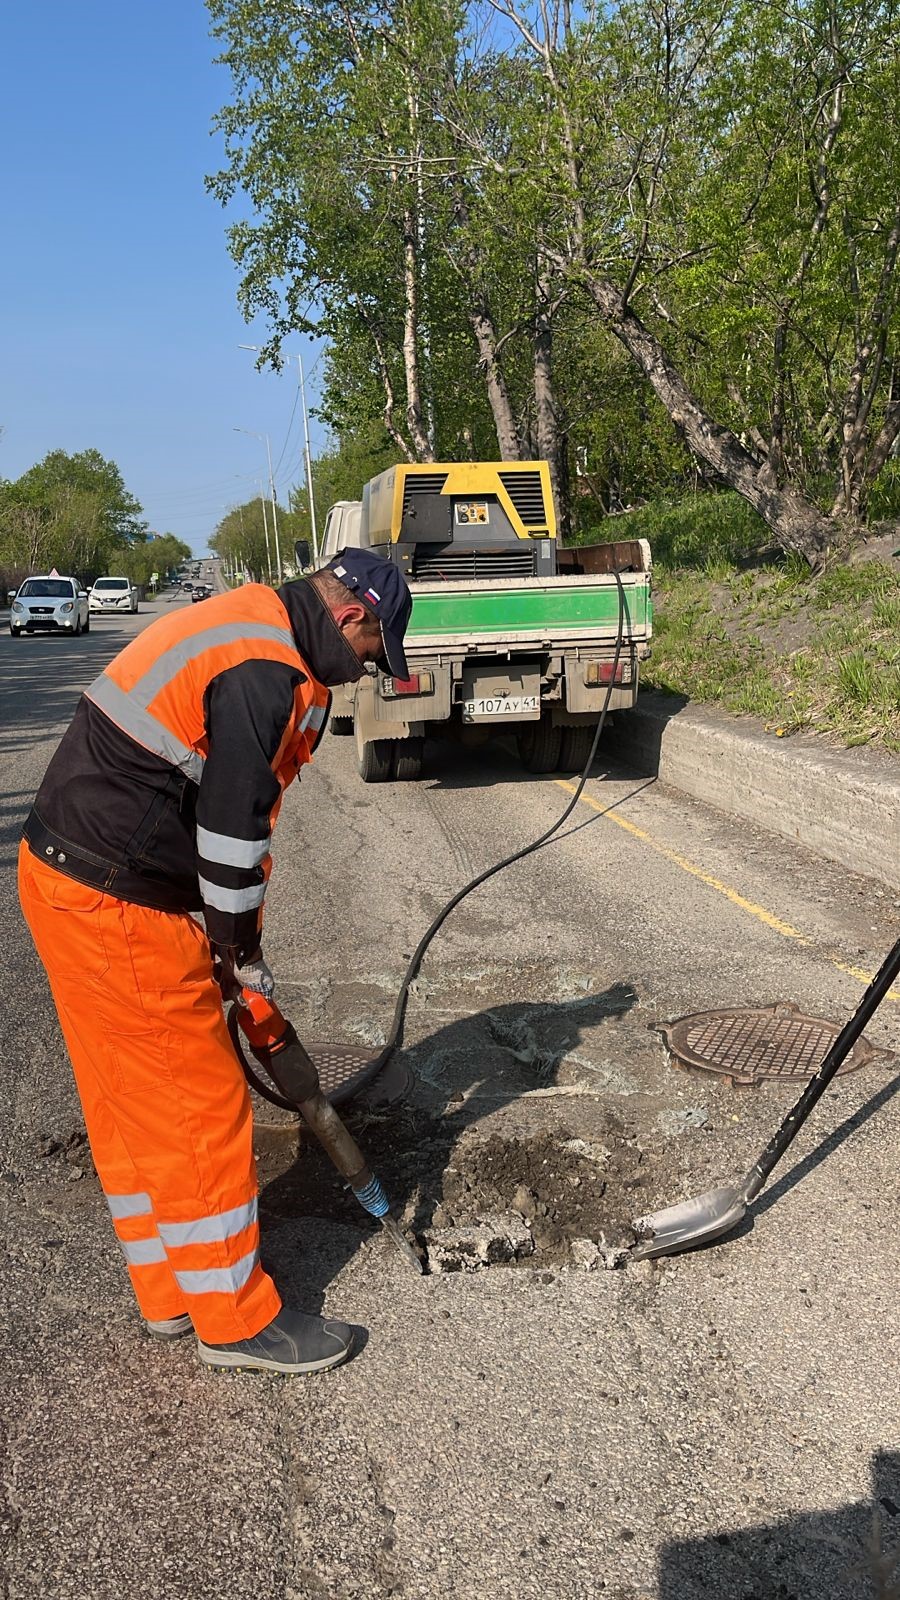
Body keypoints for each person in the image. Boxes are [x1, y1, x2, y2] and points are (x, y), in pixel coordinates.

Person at [18, 549, 413, 1376]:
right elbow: (231, 841)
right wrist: (243, 962)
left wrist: (238, 959)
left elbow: (230, 835)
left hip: (63, 877)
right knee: (197, 1103)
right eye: (375, 650)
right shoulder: (265, 671)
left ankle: (171, 1295)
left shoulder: (253, 627)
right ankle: (233, 1320)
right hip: (116, 899)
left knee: (130, 1101)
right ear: (350, 617)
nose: (369, 669)